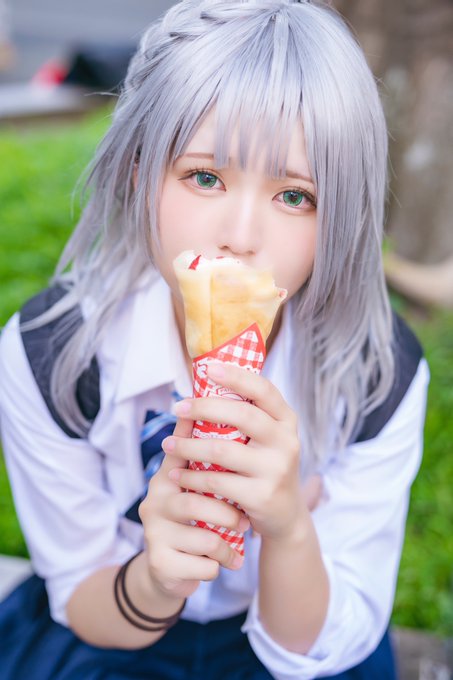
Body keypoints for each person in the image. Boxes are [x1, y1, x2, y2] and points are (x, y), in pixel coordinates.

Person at [0, 1, 429, 678]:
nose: (240, 236)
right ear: (140, 171)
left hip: (293, 625)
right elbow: (82, 593)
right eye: (204, 177)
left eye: (295, 196)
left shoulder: (376, 374)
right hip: (115, 621)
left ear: (340, 215)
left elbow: (327, 636)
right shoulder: (54, 355)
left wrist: (288, 527)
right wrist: (155, 578)